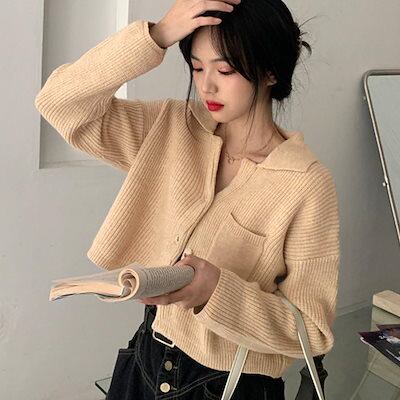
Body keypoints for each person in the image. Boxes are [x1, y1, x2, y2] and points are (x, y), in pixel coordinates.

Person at [34, 0, 341, 399]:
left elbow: (312, 332)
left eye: (224, 70)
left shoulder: (306, 183)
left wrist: (216, 291)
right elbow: (59, 103)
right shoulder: (171, 129)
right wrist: (157, 35)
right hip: (145, 360)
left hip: (231, 384)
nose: (206, 85)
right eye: (197, 68)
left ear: (270, 72)